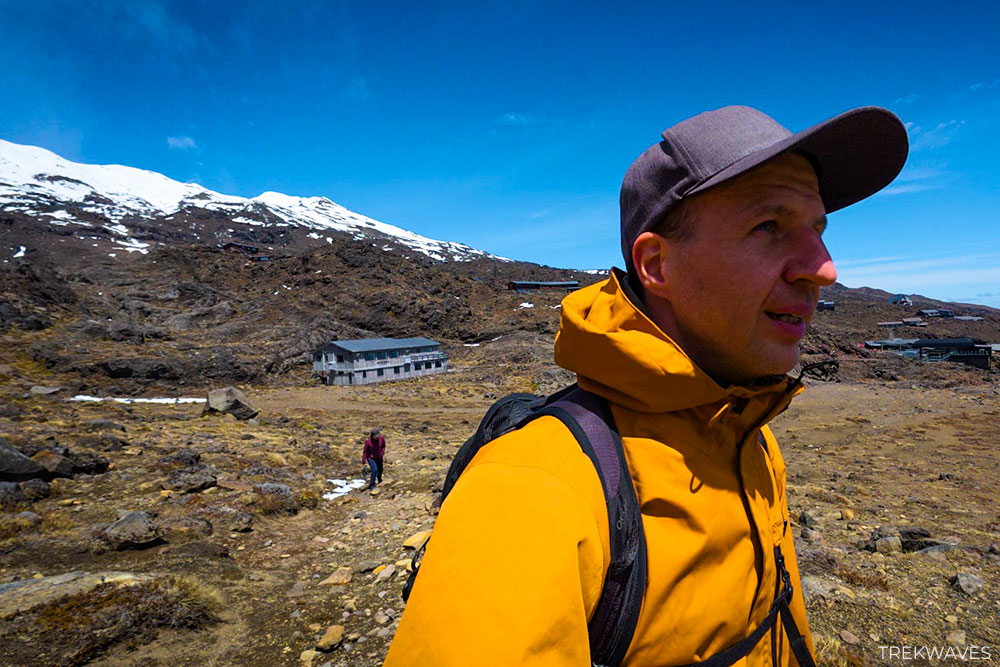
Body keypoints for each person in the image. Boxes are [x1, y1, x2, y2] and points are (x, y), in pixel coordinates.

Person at [385, 105, 907, 666]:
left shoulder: (750, 434)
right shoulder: (532, 491)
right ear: (657, 265)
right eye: (769, 227)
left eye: (818, 230)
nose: (824, 269)